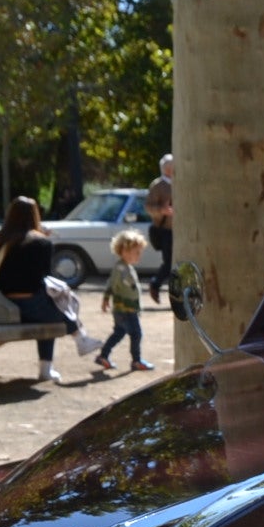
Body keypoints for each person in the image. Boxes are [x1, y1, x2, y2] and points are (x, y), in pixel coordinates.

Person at [0, 195, 77, 383]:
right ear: (35, 216)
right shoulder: (41, 243)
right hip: (30, 307)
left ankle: (80, 337)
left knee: (53, 306)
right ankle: (48, 366)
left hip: (1, 305)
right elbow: (44, 277)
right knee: (58, 306)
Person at [95, 229, 153, 373]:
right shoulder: (121, 268)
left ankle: (104, 356)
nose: (139, 256)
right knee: (134, 333)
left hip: (128, 309)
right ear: (125, 251)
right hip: (125, 309)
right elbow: (112, 284)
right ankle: (136, 361)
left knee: (121, 332)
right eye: (137, 252)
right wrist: (106, 298)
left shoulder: (126, 267)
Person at [144, 153, 174, 304]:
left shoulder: (180, 182)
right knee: (169, 263)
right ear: (167, 168)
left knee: (176, 263)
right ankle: (155, 284)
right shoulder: (158, 185)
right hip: (165, 231)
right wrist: (161, 211)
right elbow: (148, 207)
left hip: (179, 231)